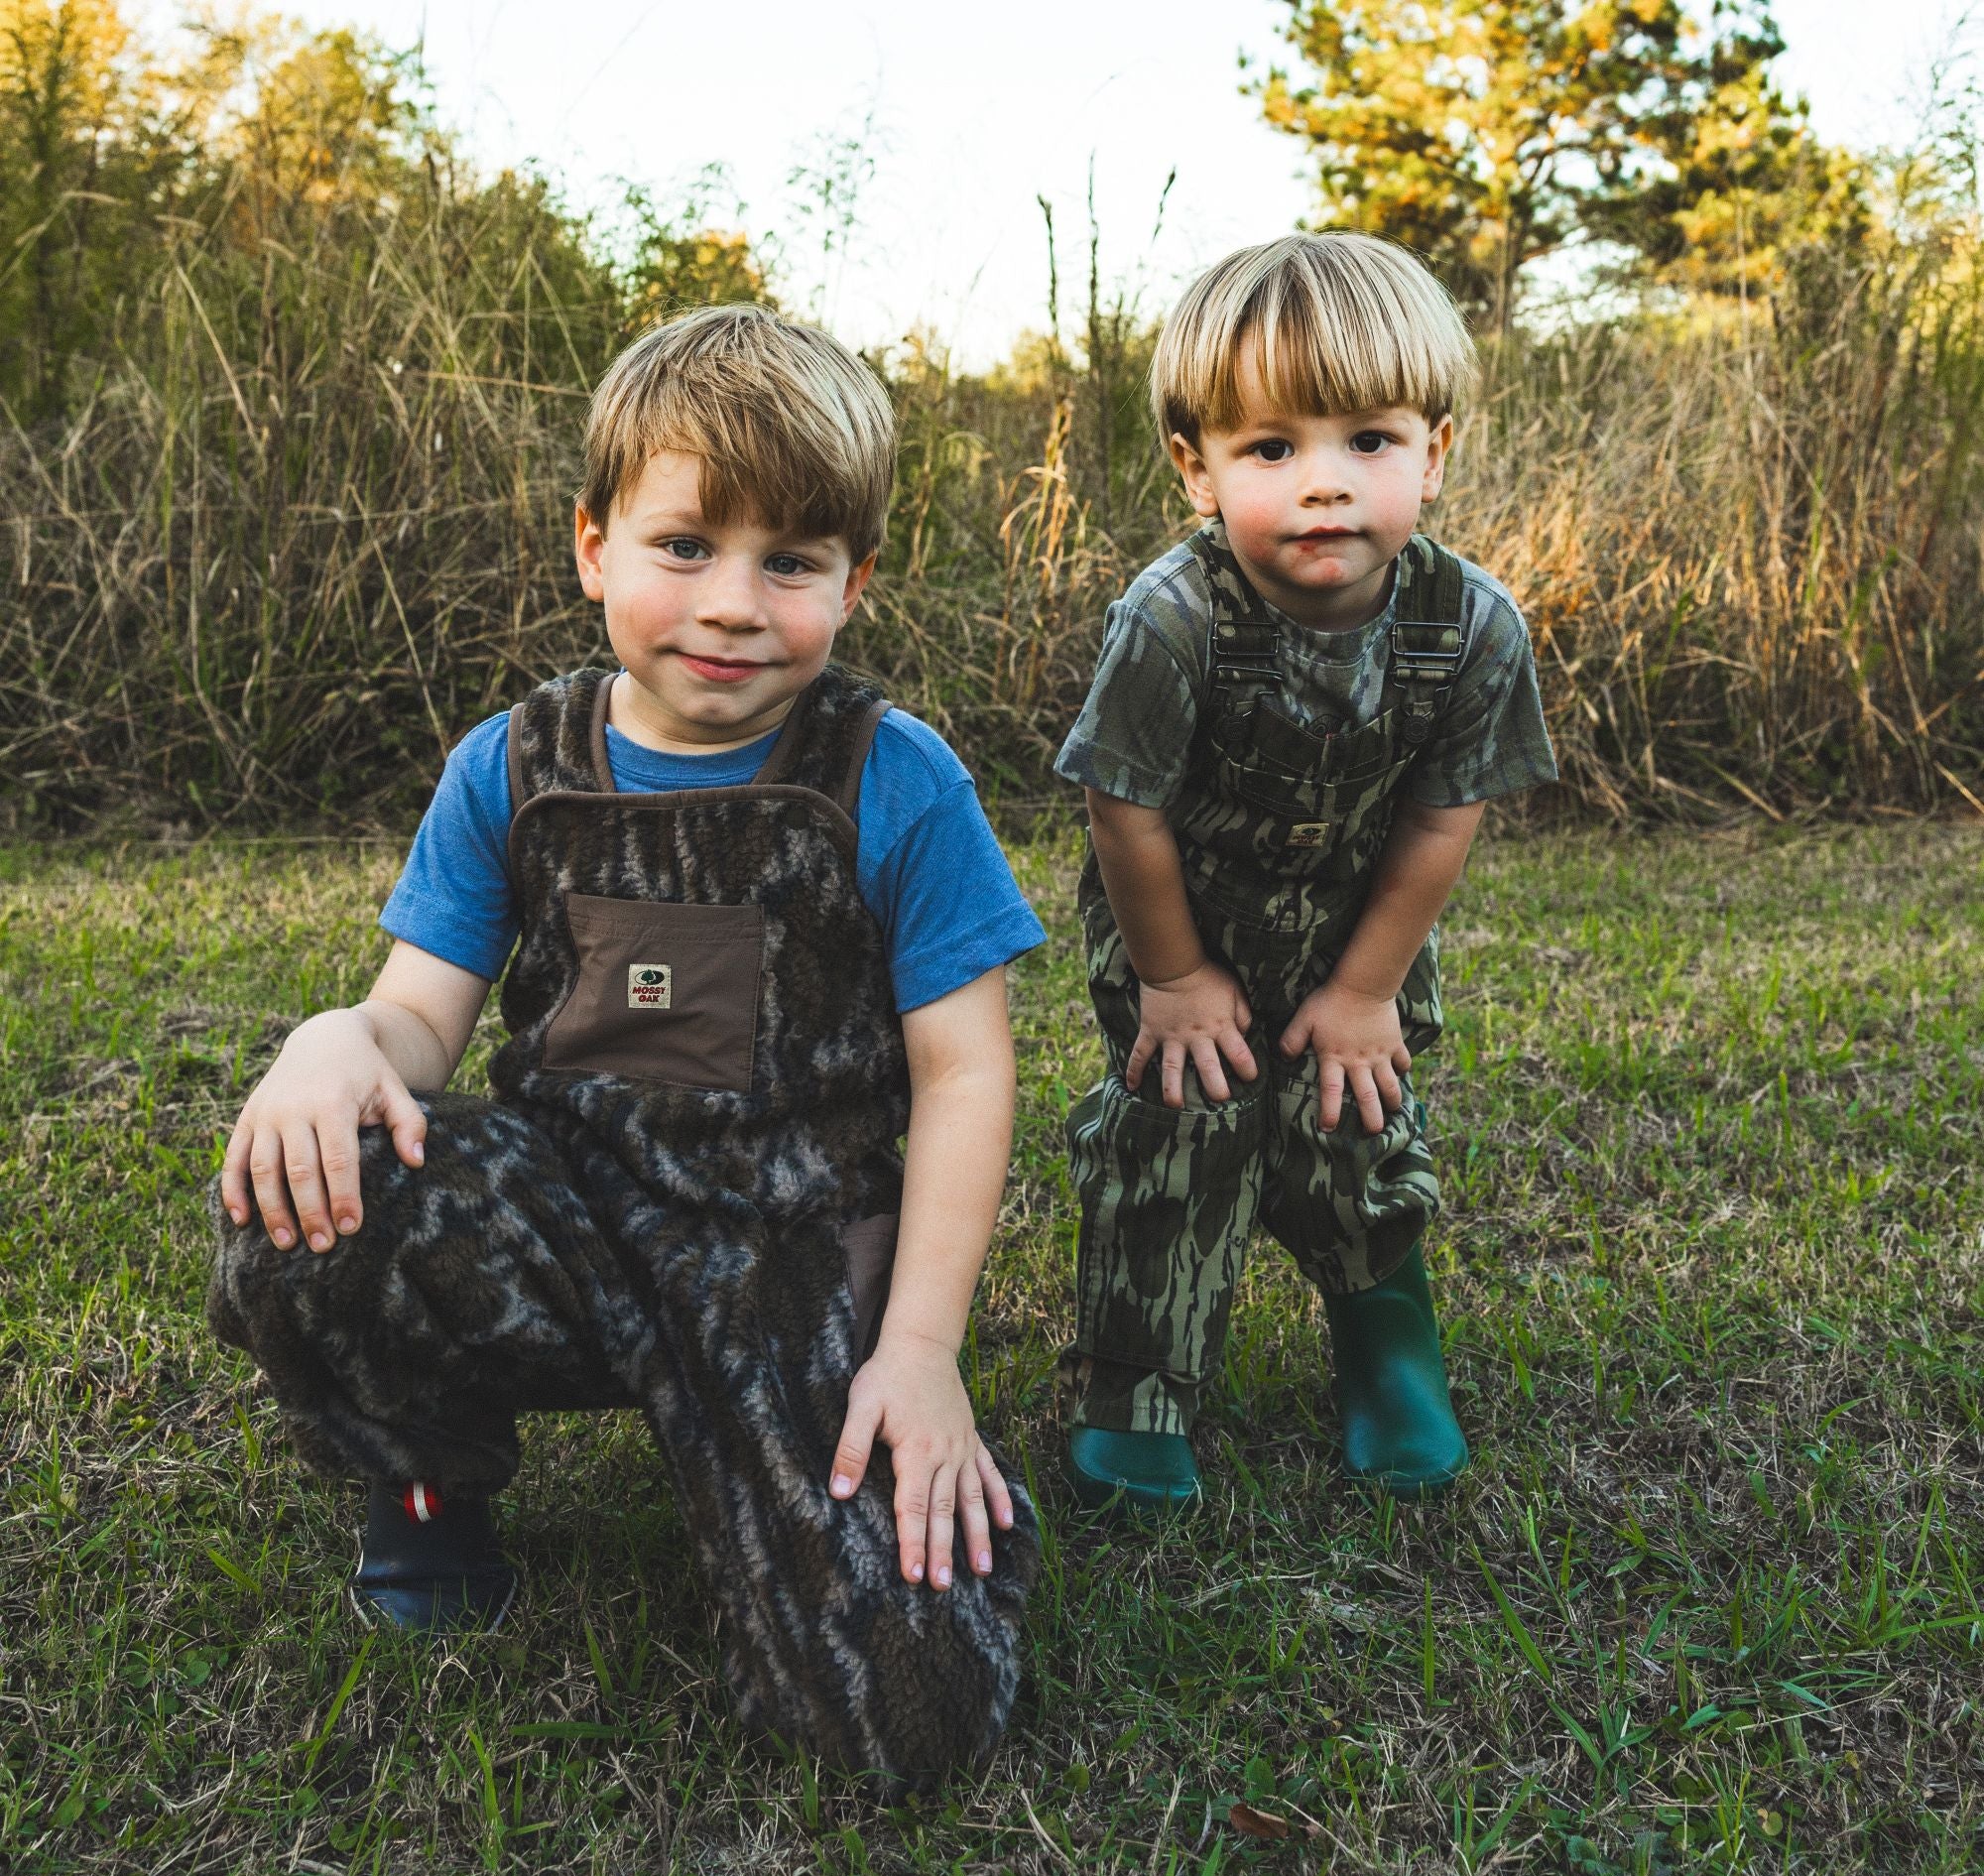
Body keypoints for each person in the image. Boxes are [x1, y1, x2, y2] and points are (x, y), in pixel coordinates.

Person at [206, 305, 1045, 1792]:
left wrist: (919, 1350)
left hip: (783, 1258)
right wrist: (340, 1038)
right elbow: (418, 1020)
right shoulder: (513, 765)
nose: (732, 602)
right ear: (594, 545)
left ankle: (821, 1479)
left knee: (906, 1722)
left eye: (789, 561)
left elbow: (965, 1073)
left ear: (854, 582)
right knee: (311, 1189)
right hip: (569, 1220)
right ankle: (427, 1481)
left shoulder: (891, 775)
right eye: (685, 547)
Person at [1055, 233, 1556, 1511]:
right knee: (1182, 1129)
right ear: (1199, 467)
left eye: (1369, 442)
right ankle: (1144, 1379)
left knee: (1354, 1123)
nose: (1324, 484)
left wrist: (1367, 987)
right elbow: (1126, 802)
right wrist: (1173, 977)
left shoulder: (1471, 624)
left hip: (1355, 929)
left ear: (1434, 453)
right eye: (1272, 449)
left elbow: (1444, 817)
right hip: (1181, 917)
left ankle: (1388, 1344)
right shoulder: (1172, 616)